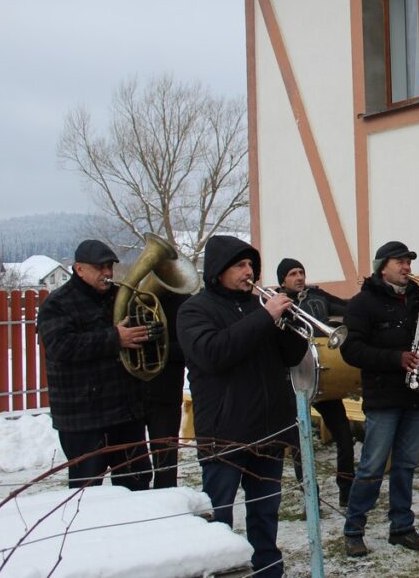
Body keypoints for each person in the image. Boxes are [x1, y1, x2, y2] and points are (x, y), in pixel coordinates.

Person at [176, 236, 307, 578]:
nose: (249, 272)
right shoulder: (194, 310)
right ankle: (221, 571)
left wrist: (292, 323)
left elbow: (291, 357)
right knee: (219, 515)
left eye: (251, 265)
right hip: (225, 433)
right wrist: (265, 318)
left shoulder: (256, 307)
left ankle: (269, 570)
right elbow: (213, 353)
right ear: (219, 270)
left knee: (265, 513)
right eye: (240, 265)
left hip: (269, 430)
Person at [340, 241, 419, 558]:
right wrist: (394, 358)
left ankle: (402, 527)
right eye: (400, 262)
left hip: (416, 396)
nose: (407, 267)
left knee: (405, 466)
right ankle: (353, 530)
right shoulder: (362, 303)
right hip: (383, 398)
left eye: (408, 262)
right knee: (372, 466)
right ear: (382, 266)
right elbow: (351, 350)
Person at [37, 239, 152, 490]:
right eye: (100, 267)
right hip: (83, 418)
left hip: (125, 413)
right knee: (85, 492)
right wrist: (115, 337)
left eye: (109, 266)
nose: (108, 273)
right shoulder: (57, 304)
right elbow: (61, 347)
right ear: (79, 269)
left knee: (138, 485)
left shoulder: (121, 297)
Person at [275, 257, 355, 505]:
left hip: (322, 376)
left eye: (301, 272)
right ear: (282, 281)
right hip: (293, 381)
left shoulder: (317, 297)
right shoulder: (276, 304)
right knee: (301, 441)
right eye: (292, 274)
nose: (299, 277)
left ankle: (346, 489)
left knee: (344, 435)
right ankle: (311, 495)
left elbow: (346, 307)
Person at [141, 292, 190, 489]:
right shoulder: (133, 301)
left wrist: (162, 348)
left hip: (166, 390)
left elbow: (191, 347)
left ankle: (167, 500)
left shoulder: (184, 302)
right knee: (135, 464)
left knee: (166, 462)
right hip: (132, 392)